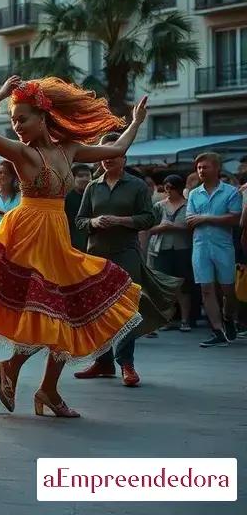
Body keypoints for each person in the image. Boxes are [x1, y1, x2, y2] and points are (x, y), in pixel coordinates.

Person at [0, 75, 148, 418]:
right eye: (13, 120)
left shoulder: (69, 149)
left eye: (22, 119)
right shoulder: (20, 152)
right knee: (48, 314)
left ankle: (42, 387)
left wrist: (135, 122)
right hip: (28, 235)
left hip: (55, 235)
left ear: (42, 117)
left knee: (67, 314)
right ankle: (25, 376)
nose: (16, 126)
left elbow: (117, 149)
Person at [73, 133, 179, 387]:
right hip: (96, 254)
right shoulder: (92, 186)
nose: (108, 159)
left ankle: (126, 363)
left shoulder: (137, 185)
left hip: (126, 253)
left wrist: (122, 221)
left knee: (127, 309)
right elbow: (80, 221)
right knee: (98, 309)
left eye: (113, 154)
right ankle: (103, 361)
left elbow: (148, 219)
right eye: (104, 155)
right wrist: (94, 222)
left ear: (123, 156)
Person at [191, 152, 241, 347]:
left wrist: (205, 218)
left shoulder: (231, 192)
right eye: (199, 168)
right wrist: (204, 219)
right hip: (200, 246)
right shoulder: (195, 194)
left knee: (229, 290)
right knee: (206, 289)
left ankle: (228, 318)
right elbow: (189, 220)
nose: (201, 170)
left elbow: (235, 219)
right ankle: (217, 330)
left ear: (217, 168)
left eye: (205, 167)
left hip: (223, 246)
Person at [149, 175, 193, 332]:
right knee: (164, 285)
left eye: (171, 188)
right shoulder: (159, 206)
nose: (168, 191)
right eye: (166, 188)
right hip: (161, 248)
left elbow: (193, 227)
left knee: (183, 284)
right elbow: (148, 228)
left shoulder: (189, 205)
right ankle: (165, 319)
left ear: (179, 188)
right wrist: (161, 227)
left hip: (183, 248)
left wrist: (175, 227)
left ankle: (185, 319)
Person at [64, 164, 93, 251]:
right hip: (72, 241)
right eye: (80, 176)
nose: (85, 179)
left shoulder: (95, 195)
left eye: (87, 175)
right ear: (73, 178)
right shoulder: (66, 198)